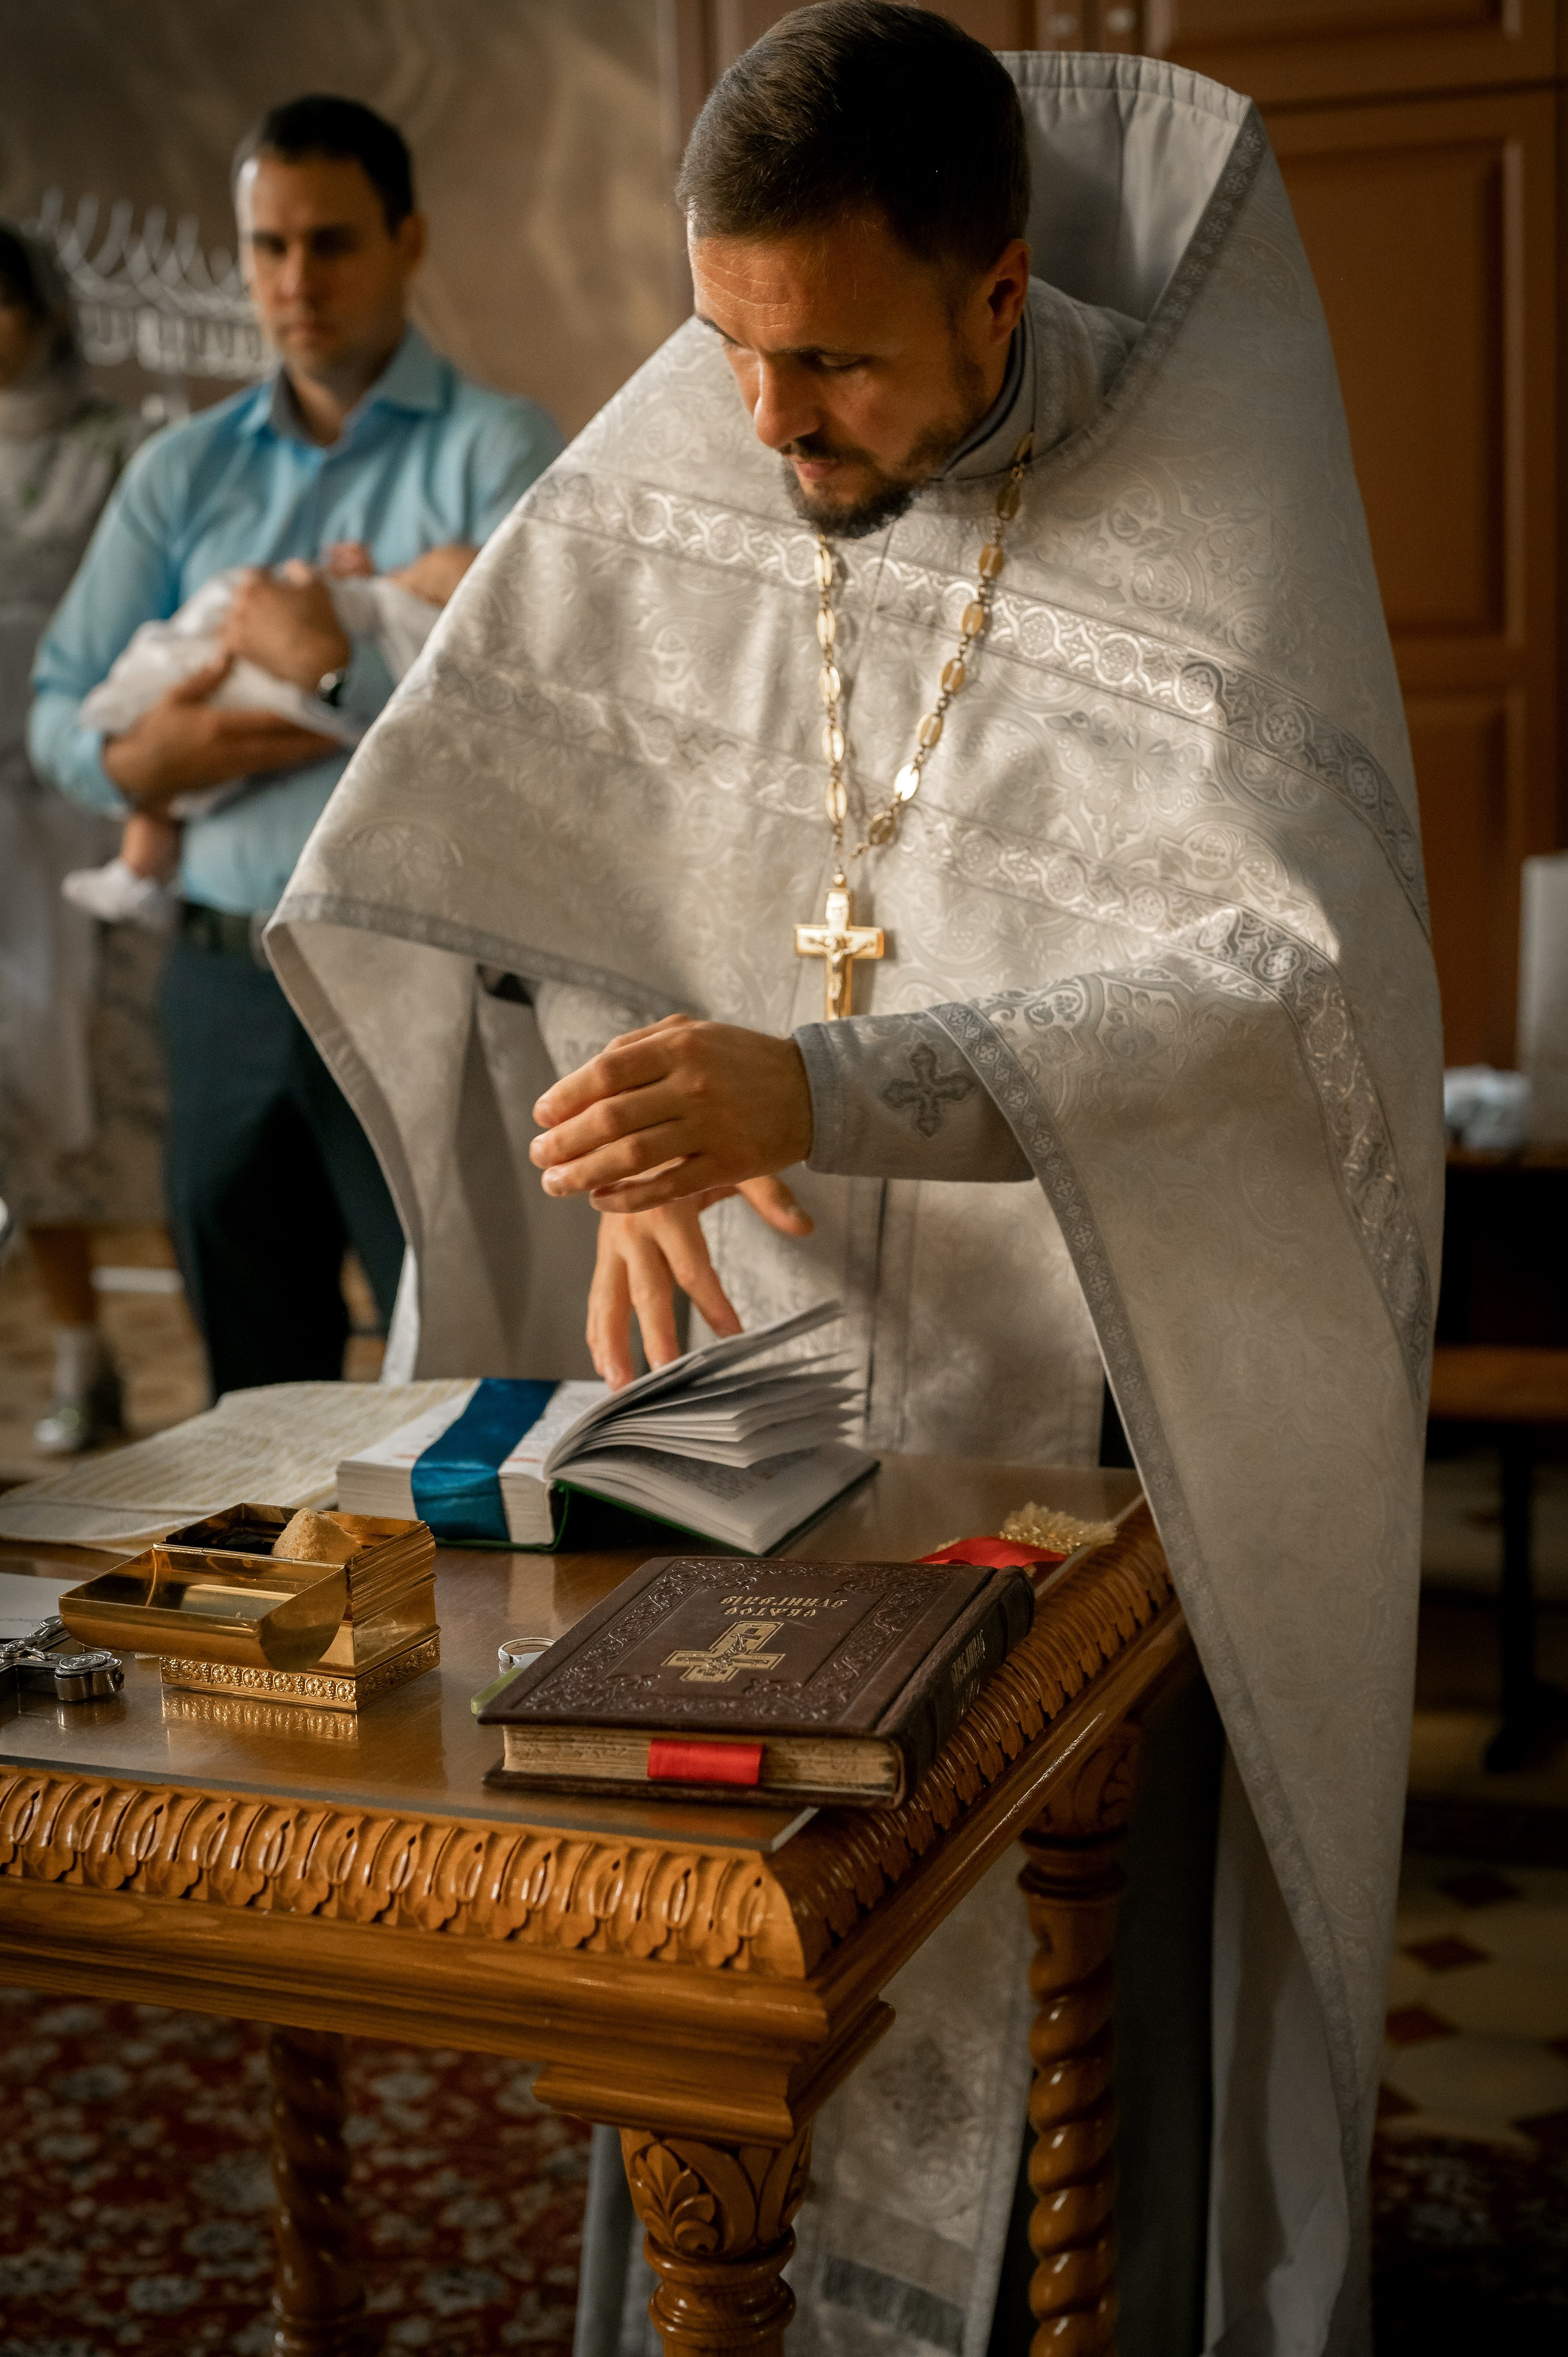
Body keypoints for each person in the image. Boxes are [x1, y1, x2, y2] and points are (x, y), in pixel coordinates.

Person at [270, 13, 1442, 2354]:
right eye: (724, 347)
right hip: (770, 1395)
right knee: (736, 1966)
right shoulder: (719, 423)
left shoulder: (1209, 526)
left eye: (828, 365)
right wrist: (628, 1121)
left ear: (995, 295)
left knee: (1056, 1972)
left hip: (1086, 1406)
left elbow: (1267, 1000)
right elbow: (550, 826)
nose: (768, 423)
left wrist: (817, 1085)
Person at [29, 95, 563, 1398]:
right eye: (267, 247)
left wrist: (332, 664)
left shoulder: (501, 451)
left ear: (407, 239)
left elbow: (536, 708)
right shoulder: (177, 472)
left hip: (419, 978)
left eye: (329, 242)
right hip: (218, 991)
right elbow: (57, 705)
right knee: (250, 1395)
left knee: (455, 1370)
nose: (293, 281)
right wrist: (136, 767)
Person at [0, 220, 158, 1454]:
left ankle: (240, 1385)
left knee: (128, 1075)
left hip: (100, 815)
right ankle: (80, 1354)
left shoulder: (120, 453)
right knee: (17, 1092)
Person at [61, 539, 477, 931]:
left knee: (177, 778)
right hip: (211, 943)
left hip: (388, 927)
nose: (413, 570)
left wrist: (330, 652)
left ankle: (135, 872)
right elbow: (55, 710)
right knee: (165, 778)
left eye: (425, 578)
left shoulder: (419, 636)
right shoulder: (384, 596)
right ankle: (134, 874)